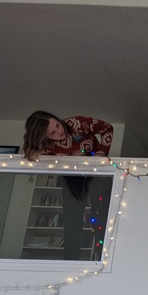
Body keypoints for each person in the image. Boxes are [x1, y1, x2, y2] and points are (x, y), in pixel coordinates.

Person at [22, 111, 114, 260]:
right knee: (72, 221)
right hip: (72, 179)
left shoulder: (77, 123)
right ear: (45, 136)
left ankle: (102, 258)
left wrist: (101, 153)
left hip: (97, 173)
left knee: (102, 217)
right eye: (53, 132)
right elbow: (31, 156)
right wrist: (66, 158)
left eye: (57, 124)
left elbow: (107, 128)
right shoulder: (44, 145)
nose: (59, 131)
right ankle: (71, 262)